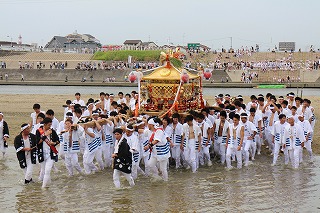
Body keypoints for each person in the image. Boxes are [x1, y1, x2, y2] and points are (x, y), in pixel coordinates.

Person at [36, 117, 60, 188]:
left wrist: (54, 143)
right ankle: (48, 183)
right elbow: (37, 142)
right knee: (43, 170)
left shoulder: (52, 131)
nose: (50, 126)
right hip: (42, 153)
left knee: (48, 170)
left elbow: (58, 141)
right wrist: (45, 135)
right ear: (45, 124)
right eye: (49, 125)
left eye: (51, 125)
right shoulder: (38, 131)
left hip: (51, 153)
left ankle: (43, 187)